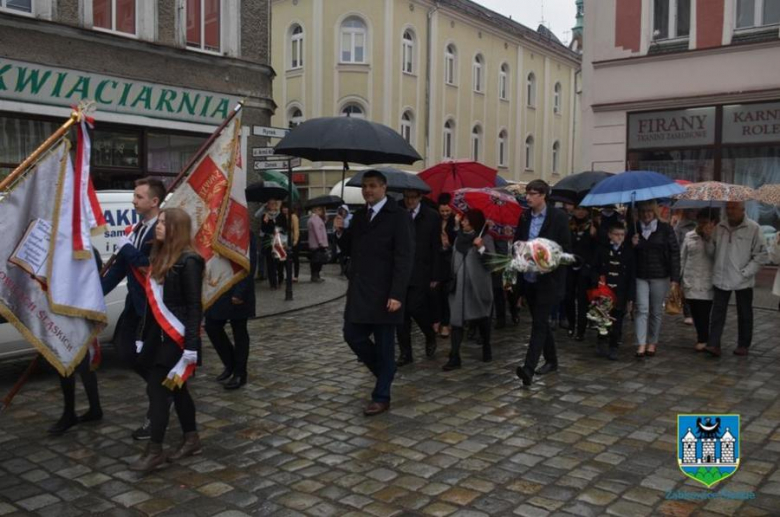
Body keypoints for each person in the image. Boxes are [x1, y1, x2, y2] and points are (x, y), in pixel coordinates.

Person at [130, 208, 204, 472]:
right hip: (158, 335)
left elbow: (195, 306)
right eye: (158, 222)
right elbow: (152, 305)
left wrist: (192, 346)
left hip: (179, 336)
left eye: (163, 223)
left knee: (157, 388)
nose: (158, 226)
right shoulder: (160, 255)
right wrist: (141, 336)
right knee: (176, 388)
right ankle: (191, 438)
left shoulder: (190, 260)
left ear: (176, 228)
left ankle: (155, 450)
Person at [335, 170, 413, 416]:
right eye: (364, 187)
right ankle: (385, 373)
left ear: (384, 188)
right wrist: (339, 230)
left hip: (384, 293)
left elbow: (404, 258)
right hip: (360, 291)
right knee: (352, 335)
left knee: (384, 346)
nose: (367, 190)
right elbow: (349, 247)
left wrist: (397, 294)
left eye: (372, 186)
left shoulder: (398, 217)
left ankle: (381, 395)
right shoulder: (360, 216)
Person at [101, 177, 162, 440]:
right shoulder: (136, 230)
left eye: (139, 197)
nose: (133, 201)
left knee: (148, 361)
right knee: (127, 354)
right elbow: (119, 270)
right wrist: (93, 294)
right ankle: (162, 392)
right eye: (134, 196)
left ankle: (158, 408)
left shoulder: (162, 230)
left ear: (154, 201)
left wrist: (126, 248)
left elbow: (152, 267)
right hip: (134, 307)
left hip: (155, 310)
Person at [514, 180, 572, 386]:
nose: (528, 197)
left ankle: (528, 368)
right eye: (527, 193)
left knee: (538, 323)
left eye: (532, 193)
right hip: (529, 279)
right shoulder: (524, 216)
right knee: (541, 321)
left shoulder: (558, 217)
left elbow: (565, 247)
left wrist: (545, 257)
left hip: (549, 280)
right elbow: (518, 242)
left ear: (543, 195)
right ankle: (552, 360)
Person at [49, 248, 104, 435]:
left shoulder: (87, 249)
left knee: (79, 362)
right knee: (67, 362)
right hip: (61, 311)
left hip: (80, 311)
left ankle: (76, 412)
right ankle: (78, 410)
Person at [704, 202, 768, 357]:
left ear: (742, 209)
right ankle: (714, 344)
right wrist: (707, 238)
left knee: (745, 313)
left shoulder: (754, 228)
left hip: (743, 278)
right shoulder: (719, 227)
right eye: (728, 208)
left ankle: (743, 345)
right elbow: (711, 253)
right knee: (717, 313)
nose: (730, 211)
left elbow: (761, 255)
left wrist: (746, 272)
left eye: (733, 208)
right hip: (721, 276)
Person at [204, 232, 257, 390]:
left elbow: (250, 262)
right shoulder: (213, 227)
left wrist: (240, 292)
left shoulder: (243, 230)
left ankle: (240, 373)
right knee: (211, 326)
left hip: (238, 288)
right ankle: (231, 364)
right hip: (217, 287)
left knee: (239, 331)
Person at [443, 209, 495, 370]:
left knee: (482, 318)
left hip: (477, 287)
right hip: (459, 286)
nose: (463, 222)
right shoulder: (459, 238)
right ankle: (454, 356)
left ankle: (486, 345)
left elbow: (492, 264)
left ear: (474, 222)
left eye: (466, 220)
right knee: (456, 321)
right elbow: (453, 260)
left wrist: (481, 248)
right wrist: (446, 248)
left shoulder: (485, 238)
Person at [630, 200, 680, 358]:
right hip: (640, 275)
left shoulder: (665, 229)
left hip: (660, 275)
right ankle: (641, 344)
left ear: (655, 212)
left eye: (649, 211)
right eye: (643, 211)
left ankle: (653, 342)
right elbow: (626, 254)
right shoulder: (634, 228)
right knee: (641, 309)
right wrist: (631, 244)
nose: (646, 215)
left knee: (656, 311)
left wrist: (675, 279)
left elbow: (674, 254)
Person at [397, 189, 440, 366]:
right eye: (406, 197)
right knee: (400, 315)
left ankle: (429, 334)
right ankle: (405, 353)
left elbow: (435, 247)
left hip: (421, 270)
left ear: (420, 197)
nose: (409, 201)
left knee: (415, 307)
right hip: (400, 271)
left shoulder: (431, 216)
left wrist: (435, 275)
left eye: (413, 198)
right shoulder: (398, 213)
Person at [592, 221, 635, 361]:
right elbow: (595, 268)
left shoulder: (628, 251)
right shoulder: (602, 249)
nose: (619, 237)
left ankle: (614, 345)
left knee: (617, 319)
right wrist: (597, 282)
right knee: (603, 317)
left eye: (622, 235)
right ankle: (601, 341)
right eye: (616, 234)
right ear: (610, 235)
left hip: (620, 291)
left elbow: (631, 276)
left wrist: (630, 297)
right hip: (604, 289)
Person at [680, 208, 718, 352]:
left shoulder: (716, 236)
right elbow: (683, 257)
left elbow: (714, 255)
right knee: (695, 311)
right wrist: (679, 278)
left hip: (706, 280)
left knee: (704, 311)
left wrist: (708, 238)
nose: (702, 225)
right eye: (700, 222)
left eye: (705, 222)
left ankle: (703, 339)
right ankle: (702, 336)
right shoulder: (690, 235)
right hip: (690, 278)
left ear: (713, 222)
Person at [566, 206, 596, 341]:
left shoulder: (592, 225)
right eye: (578, 209)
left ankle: (581, 329)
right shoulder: (568, 224)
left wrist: (594, 234)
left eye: (584, 209)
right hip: (570, 265)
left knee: (583, 299)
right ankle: (571, 324)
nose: (580, 212)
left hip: (585, 266)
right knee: (568, 297)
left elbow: (597, 246)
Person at [432, 195, 457, 339]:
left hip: (449, 262)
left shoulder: (455, 222)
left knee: (446, 295)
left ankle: (446, 324)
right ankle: (437, 320)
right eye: (442, 211)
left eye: (447, 211)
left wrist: (448, 243)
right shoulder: (435, 220)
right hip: (437, 260)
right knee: (435, 294)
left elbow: (459, 242)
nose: (445, 214)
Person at [675, 209, 698, 325]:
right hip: (685, 259)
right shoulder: (680, 227)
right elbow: (676, 244)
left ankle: (696, 311)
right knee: (686, 287)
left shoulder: (701, 225)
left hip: (698, 261)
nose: (694, 212)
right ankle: (687, 312)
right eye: (692, 211)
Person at [260, 198, 287, 290]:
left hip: (279, 240)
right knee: (270, 262)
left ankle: (280, 279)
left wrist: (278, 230)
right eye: (270, 204)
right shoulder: (265, 215)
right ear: (267, 206)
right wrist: (266, 222)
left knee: (279, 261)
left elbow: (285, 227)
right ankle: (273, 283)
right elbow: (263, 228)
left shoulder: (281, 215)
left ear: (276, 205)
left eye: (273, 204)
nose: (271, 206)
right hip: (269, 241)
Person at [308, 206, 329, 283]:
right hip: (317, 244)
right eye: (319, 210)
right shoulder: (315, 219)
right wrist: (320, 242)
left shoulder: (314, 219)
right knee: (317, 261)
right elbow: (318, 231)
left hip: (314, 244)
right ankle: (315, 276)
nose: (321, 211)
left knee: (316, 261)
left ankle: (315, 276)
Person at [282, 203, 300, 282]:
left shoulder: (293, 217)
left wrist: (295, 240)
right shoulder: (282, 217)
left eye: (286, 208)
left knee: (295, 258)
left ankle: (296, 276)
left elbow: (296, 229)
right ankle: (289, 275)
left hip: (293, 239)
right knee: (286, 259)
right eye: (283, 208)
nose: (284, 209)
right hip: (285, 240)